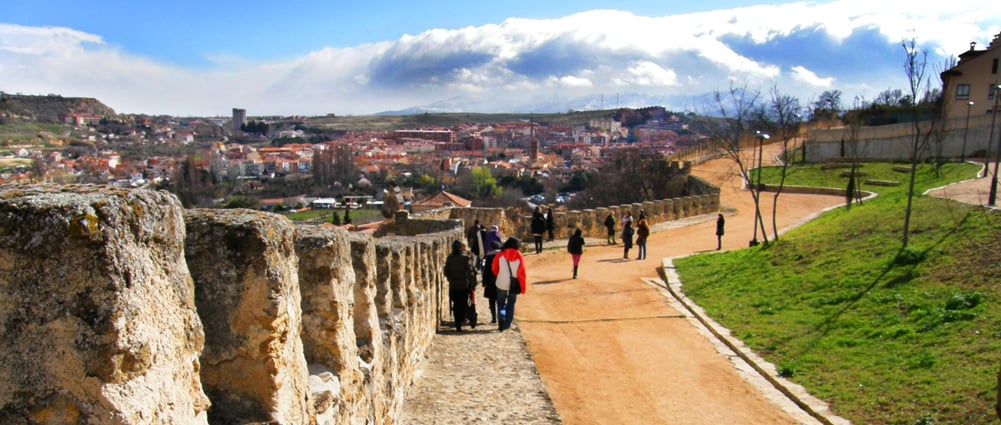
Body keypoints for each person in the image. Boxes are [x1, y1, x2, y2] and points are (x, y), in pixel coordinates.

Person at [491, 237, 526, 332]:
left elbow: (494, 268)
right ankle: (507, 324)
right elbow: (522, 273)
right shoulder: (519, 256)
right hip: (513, 284)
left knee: (500, 303)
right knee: (511, 303)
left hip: (501, 282)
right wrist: (522, 286)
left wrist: (500, 274)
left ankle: (501, 317)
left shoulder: (500, 255)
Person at [443, 240, 476, 331]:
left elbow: (446, 271)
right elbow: (470, 273)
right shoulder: (465, 258)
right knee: (463, 303)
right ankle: (464, 318)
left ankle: (458, 323)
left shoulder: (450, 258)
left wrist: (450, 278)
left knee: (456, 304)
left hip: (453, 285)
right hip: (464, 286)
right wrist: (472, 284)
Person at [481, 240, 502, 323]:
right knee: (501, 301)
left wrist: (484, 283)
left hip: (490, 282)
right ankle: (501, 317)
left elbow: (485, 271)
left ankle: (494, 318)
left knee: (492, 301)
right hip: (500, 281)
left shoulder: (489, 257)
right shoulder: (501, 256)